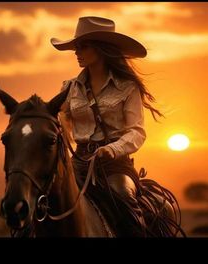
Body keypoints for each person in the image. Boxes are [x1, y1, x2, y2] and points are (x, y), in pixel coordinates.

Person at [50, 16, 165, 237]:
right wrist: (61, 124)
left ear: (101, 49)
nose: (76, 52)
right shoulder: (70, 87)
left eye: (83, 46)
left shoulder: (127, 87)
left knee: (123, 198)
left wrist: (111, 149)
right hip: (77, 162)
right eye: (76, 46)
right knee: (43, 198)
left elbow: (137, 132)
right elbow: (60, 115)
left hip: (114, 165)